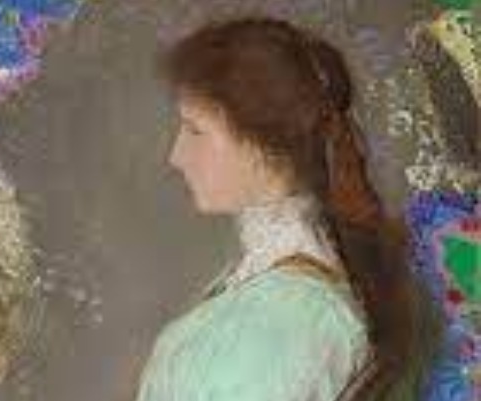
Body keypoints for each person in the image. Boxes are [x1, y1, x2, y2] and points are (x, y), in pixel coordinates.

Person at [135, 18, 441, 401]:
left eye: (195, 130)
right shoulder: (264, 283)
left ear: (262, 149)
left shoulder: (295, 317)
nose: (176, 155)